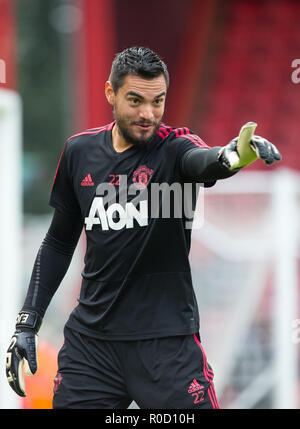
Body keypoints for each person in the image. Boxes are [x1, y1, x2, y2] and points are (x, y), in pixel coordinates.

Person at [6, 47, 281, 409]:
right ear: (111, 93)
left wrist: (231, 157)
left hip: (167, 348)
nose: (148, 114)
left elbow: (205, 162)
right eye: (135, 100)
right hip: (92, 348)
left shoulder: (175, 147)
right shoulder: (79, 151)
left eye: (158, 101)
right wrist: (27, 323)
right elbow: (59, 243)